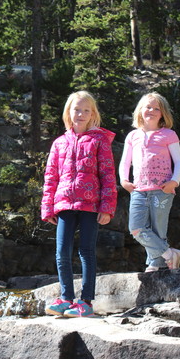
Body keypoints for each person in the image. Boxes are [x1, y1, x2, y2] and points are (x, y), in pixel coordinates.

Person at [41, 91, 117, 318]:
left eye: (86, 110)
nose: (81, 114)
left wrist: (107, 206)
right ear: (68, 112)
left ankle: (86, 301)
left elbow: (107, 175)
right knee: (62, 251)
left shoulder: (99, 140)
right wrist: (47, 207)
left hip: (90, 205)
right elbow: (51, 176)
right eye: (77, 109)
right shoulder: (59, 143)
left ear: (93, 114)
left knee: (86, 251)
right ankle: (66, 298)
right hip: (64, 203)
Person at [119, 92, 180, 272]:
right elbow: (125, 161)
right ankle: (170, 254)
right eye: (148, 107)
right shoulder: (133, 136)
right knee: (136, 228)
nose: (152, 111)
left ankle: (156, 263)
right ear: (140, 110)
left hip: (162, 190)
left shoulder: (168, 135)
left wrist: (174, 182)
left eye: (157, 108)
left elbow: (179, 161)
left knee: (159, 230)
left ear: (163, 113)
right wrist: (124, 180)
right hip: (138, 190)